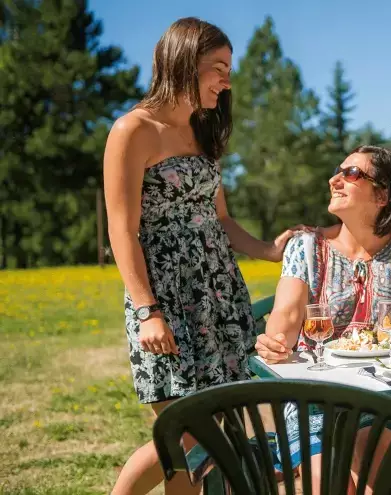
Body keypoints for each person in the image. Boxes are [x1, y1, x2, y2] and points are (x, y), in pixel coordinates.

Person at [104, 18, 295, 495]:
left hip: (218, 292)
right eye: (218, 68)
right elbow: (121, 230)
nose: (226, 80)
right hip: (165, 297)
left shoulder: (204, 130)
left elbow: (222, 220)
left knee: (213, 440)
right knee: (183, 435)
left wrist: (268, 251)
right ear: (183, 63)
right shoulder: (132, 129)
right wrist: (148, 310)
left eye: (229, 68)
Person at [254, 145, 391, 492]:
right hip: (313, 399)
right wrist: (273, 343)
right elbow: (284, 323)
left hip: (390, 397)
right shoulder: (305, 247)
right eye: (337, 171)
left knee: (376, 470)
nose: (335, 180)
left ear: (382, 194)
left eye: (351, 174)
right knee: (327, 485)